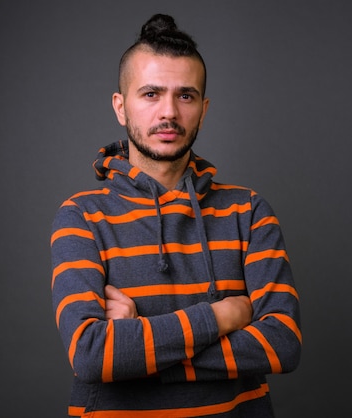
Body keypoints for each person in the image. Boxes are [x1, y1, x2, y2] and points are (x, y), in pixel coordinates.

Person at [51, 13, 301, 417]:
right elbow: (92, 357)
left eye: (185, 96)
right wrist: (223, 316)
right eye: (151, 94)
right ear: (121, 106)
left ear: (203, 110)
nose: (168, 112)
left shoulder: (248, 211)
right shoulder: (81, 216)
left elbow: (282, 343)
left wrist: (138, 348)